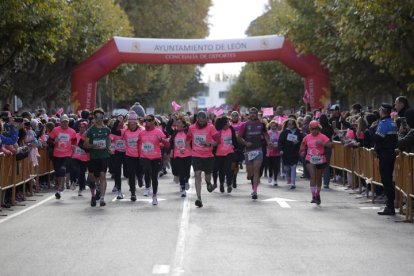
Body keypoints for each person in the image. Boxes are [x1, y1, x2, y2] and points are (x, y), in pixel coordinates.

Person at [186, 111, 219, 207]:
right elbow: (188, 140)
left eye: (203, 121)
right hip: (196, 155)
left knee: (207, 175)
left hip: (208, 155)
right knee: (197, 174)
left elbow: (217, 141)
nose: (202, 123)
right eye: (200, 121)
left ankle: (208, 183)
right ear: (197, 120)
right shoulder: (191, 128)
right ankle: (199, 198)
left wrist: (209, 143)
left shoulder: (211, 127)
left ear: (206, 120)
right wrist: (185, 148)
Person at [238, 107, 270, 199]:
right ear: (249, 114)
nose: (253, 115)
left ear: (257, 114)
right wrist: (245, 143)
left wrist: (269, 142)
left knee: (257, 169)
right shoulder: (245, 125)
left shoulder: (261, 124)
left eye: (254, 113)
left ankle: (254, 191)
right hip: (248, 150)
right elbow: (239, 137)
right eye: (251, 113)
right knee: (250, 173)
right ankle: (249, 175)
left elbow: (266, 134)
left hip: (258, 149)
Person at [111, 111, 143, 201]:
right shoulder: (125, 131)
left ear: (136, 123)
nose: (132, 125)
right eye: (130, 123)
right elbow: (113, 131)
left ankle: (140, 178)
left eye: (134, 123)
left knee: (139, 171)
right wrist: (118, 121)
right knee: (131, 174)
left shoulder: (141, 131)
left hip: (139, 155)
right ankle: (133, 193)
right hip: (129, 156)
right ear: (128, 124)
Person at [138, 114, 169, 205]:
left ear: (153, 121)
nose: (146, 122)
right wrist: (140, 154)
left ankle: (154, 196)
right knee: (147, 170)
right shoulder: (142, 133)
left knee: (154, 177)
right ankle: (147, 187)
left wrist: (162, 141)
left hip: (156, 157)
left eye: (149, 120)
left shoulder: (158, 132)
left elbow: (167, 145)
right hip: (145, 156)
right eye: (145, 120)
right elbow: (139, 144)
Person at [300, 120, 332, 205]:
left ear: (319, 129)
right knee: (313, 176)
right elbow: (302, 146)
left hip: (320, 158)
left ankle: (317, 194)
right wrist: (302, 151)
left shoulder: (323, 136)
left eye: (316, 129)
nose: (314, 131)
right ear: (310, 129)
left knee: (318, 178)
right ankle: (313, 196)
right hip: (310, 158)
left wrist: (323, 143)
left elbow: (331, 145)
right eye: (312, 129)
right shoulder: (307, 137)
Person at [84, 108, 111, 207]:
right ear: (94, 118)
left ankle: (102, 199)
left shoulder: (107, 129)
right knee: (92, 177)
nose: (99, 119)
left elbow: (108, 140)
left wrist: (109, 147)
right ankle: (94, 192)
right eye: (97, 117)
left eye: (101, 117)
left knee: (103, 175)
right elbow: (85, 144)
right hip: (93, 157)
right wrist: (92, 146)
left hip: (104, 156)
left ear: (103, 118)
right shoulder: (90, 130)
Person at [374, 103, 398, 215]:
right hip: (391, 153)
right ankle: (390, 205)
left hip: (385, 154)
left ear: (382, 111)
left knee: (386, 180)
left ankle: (390, 206)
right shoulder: (392, 122)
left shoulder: (383, 123)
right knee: (388, 180)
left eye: (379, 109)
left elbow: (378, 138)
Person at [47, 114, 77, 200]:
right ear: (60, 122)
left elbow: (74, 140)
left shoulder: (72, 131)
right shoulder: (55, 130)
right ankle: (59, 187)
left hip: (67, 154)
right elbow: (49, 140)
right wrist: (53, 142)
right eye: (63, 122)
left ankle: (59, 189)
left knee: (62, 170)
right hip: (57, 154)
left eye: (66, 122)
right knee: (58, 173)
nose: (65, 123)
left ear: (68, 122)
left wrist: (74, 145)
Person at [167, 114, 191, 197]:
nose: (177, 124)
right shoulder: (175, 132)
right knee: (181, 172)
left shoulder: (187, 131)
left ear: (183, 124)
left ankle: (186, 180)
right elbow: (168, 128)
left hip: (188, 155)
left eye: (179, 123)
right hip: (177, 155)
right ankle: (182, 188)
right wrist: (171, 120)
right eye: (177, 123)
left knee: (186, 172)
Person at [213, 116, 238, 193]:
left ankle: (229, 184)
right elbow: (214, 142)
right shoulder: (218, 131)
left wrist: (235, 147)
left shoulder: (231, 129)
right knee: (221, 170)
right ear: (223, 124)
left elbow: (234, 139)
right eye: (227, 122)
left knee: (228, 168)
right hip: (219, 154)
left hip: (229, 152)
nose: (229, 123)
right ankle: (221, 184)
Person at [279, 118, 302, 189]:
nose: (291, 125)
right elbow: (280, 142)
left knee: (293, 167)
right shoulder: (284, 132)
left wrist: (298, 142)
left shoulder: (298, 132)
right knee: (287, 168)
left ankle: (293, 183)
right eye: (289, 124)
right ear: (287, 124)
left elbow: (302, 141)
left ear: (295, 124)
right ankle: (288, 176)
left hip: (295, 152)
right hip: (286, 152)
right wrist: (280, 150)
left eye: (292, 123)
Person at [71, 121, 90, 196]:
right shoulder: (75, 135)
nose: (82, 129)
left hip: (84, 157)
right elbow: (71, 143)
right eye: (80, 127)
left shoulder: (87, 136)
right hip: (76, 156)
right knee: (74, 169)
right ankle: (74, 180)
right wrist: (72, 146)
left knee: (82, 173)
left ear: (86, 128)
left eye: (83, 127)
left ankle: (81, 189)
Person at [230, 111, 244, 188]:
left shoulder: (241, 124)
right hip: (230, 145)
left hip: (239, 145)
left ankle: (234, 178)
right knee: (232, 164)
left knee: (236, 163)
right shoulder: (229, 124)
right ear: (231, 116)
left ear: (238, 116)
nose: (235, 117)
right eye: (233, 115)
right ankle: (231, 177)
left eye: (236, 115)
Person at [266, 120, 281, 186]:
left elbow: (281, 142)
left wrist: (278, 145)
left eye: (274, 126)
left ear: (277, 126)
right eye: (272, 125)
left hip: (277, 152)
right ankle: (270, 175)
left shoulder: (279, 133)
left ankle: (275, 180)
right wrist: (269, 144)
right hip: (270, 151)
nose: (273, 127)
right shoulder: (268, 133)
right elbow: (266, 141)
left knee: (276, 166)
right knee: (270, 166)